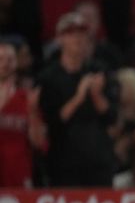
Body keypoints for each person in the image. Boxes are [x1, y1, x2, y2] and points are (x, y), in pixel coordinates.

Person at [37, 12, 117, 187]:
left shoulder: (100, 70)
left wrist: (97, 96)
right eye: (71, 33)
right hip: (64, 164)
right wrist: (79, 97)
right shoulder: (48, 78)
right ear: (59, 39)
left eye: (82, 33)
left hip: (98, 162)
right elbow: (52, 122)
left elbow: (112, 117)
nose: (77, 38)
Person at [0, 41, 34, 187]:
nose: (5, 64)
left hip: (18, 172)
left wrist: (33, 112)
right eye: (0, 59)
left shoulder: (27, 98)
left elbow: (38, 142)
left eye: (10, 59)